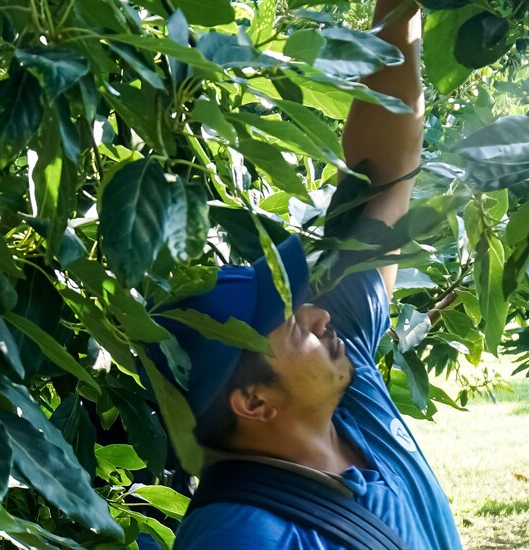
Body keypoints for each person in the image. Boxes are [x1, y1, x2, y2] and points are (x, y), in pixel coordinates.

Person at [148, 0, 462, 547]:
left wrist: (398, 7)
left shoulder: (350, 382)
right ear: (254, 403)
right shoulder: (241, 536)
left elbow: (384, 174)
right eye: (292, 325)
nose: (319, 314)